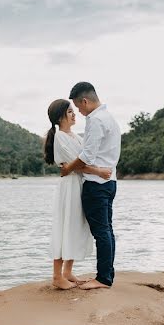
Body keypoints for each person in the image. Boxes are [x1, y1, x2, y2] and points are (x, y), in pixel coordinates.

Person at [44, 99, 112, 290]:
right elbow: (79, 164)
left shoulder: (74, 136)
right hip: (70, 187)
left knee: (75, 226)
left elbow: (86, 158)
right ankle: (57, 276)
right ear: (60, 116)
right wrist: (98, 172)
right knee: (65, 226)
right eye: (70, 112)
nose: (74, 114)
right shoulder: (60, 137)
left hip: (79, 184)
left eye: (74, 111)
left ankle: (67, 271)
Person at [60, 82, 121, 290]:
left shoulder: (95, 120)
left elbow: (86, 157)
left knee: (102, 232)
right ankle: (107, 275)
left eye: (78, 106)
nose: (79, 111)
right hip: (110, 182)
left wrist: (68, 168)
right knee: (107, 231)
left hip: (96, 185)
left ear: (84, 101)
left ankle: (103, 278)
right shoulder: (110, 118)